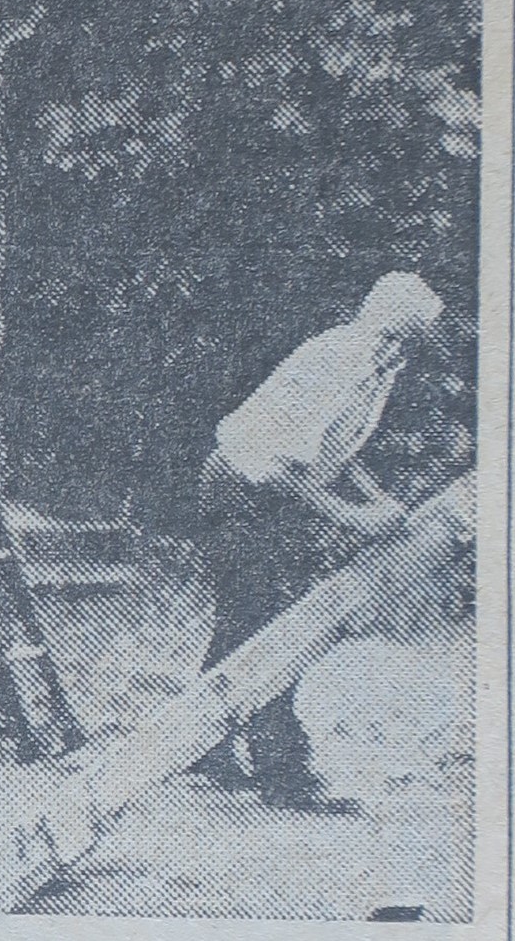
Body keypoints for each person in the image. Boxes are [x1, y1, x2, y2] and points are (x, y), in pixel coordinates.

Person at [194, 271, 445, 806]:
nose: (405, 350)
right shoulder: (341, 360)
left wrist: (375, 501)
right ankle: (283, 775)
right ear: (384, 323)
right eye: (403, 336)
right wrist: (354, 520)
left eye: (412, 341)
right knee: (274, 627)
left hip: (268, 492)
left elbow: (336, 454)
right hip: (241, 487)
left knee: (244, 620)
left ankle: (204, 743)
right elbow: (284, 469)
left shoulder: (379, 367)